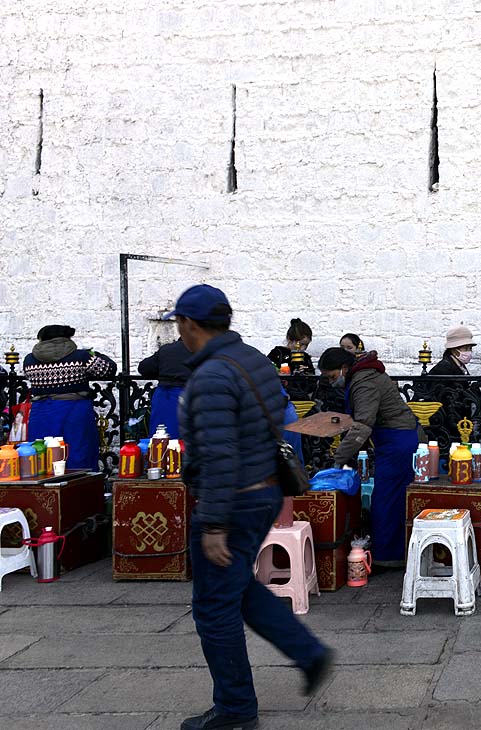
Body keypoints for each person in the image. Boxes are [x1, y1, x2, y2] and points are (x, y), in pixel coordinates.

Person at [172, 284, 331, 730]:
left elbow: (219, 454)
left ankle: (236, 710)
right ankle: (308, 652)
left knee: (213, 607)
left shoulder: (211, 377)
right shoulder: (253, 360)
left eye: (179, 324)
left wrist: (214, 524)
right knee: (238, 586)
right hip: (264, 491)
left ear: (190, 324)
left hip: (233, 500)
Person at [318, 347, 420, 569]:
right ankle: (392, 553)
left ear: (344, 368)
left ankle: (387, 557)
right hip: (393, 440)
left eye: (333, 376)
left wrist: (340, 457)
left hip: (397, 442)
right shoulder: (363, 376)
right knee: (391, 498)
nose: (332, 382)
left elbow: (363, 425)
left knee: (386, 500)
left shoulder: (364, 383)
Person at [23, 325, 116, 471]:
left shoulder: (29, 360)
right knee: (79, 450)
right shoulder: (81, 357)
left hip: (41, 411)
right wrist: (96, 355)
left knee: (43, 453)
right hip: (75, 410)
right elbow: (107, 370)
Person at [138, 337, 191, 438]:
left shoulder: (166, 350)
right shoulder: (203, 350)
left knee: (162, 437)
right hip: (191, 396)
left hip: (165, 396)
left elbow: (144, 368)